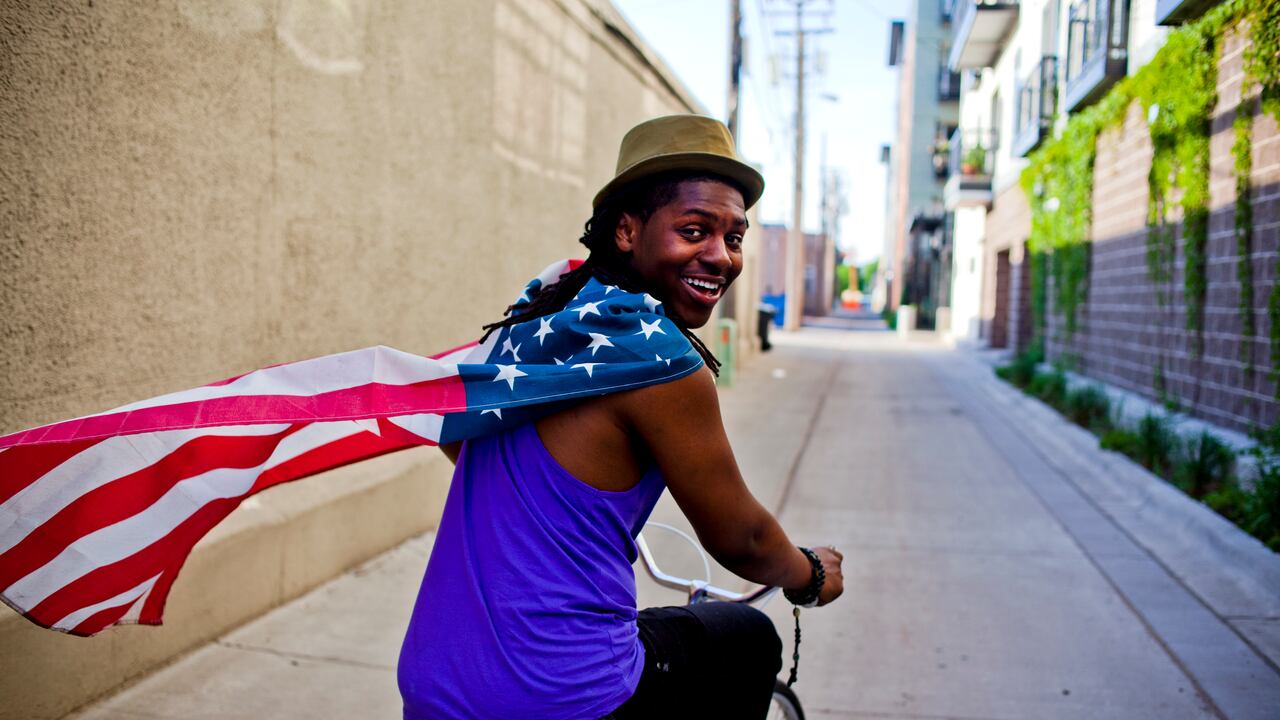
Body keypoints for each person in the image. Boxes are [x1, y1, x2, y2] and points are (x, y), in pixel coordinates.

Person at [397, 115, 844, 719]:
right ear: (628, 231)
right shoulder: (660, 359)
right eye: (694, 230)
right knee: (746, 638)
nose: (720, 257)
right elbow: (742, 539)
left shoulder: (539, 319)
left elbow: (460, 443)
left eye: (734, 238)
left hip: (436, 678)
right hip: (555, 692)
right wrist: (809, 573)